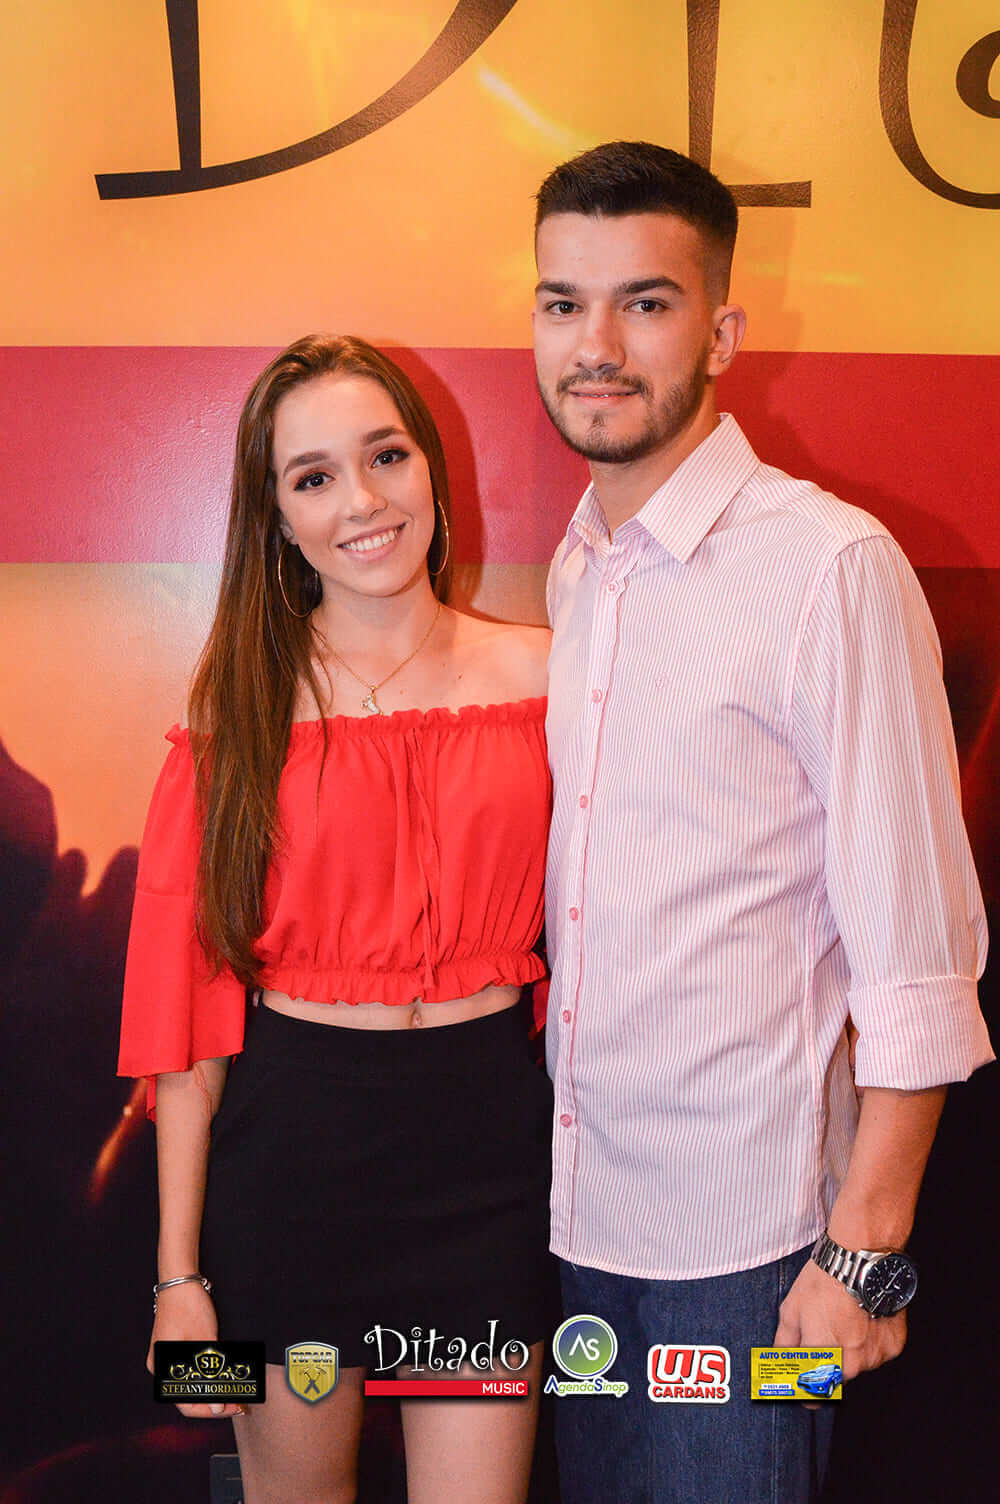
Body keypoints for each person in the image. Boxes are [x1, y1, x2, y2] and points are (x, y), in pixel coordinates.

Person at [532, 141, 992, 1503]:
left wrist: (861, 1257)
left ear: (723, 332)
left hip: (759, 1261)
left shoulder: (828, 568)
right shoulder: (579, 566)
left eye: (645, 302)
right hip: (581, 1229)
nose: (596, 346)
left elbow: (917, 957)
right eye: (563, 303)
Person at [118, 334, 554, 1504]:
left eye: (385, 455)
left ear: (431, 470)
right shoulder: (235, 718)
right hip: (289, 1177)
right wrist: (178, 1282)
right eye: (313, 477)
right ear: (277, 517)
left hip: (487, 1171)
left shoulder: (550, 680)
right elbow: (187, 1024)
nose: (361, 501)